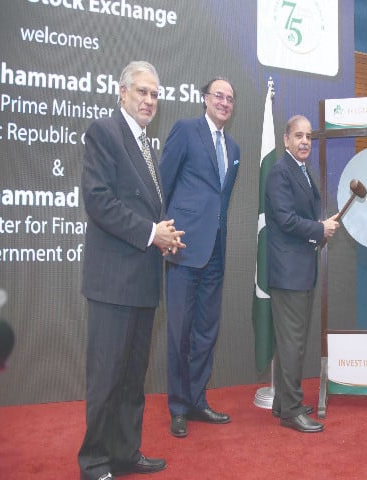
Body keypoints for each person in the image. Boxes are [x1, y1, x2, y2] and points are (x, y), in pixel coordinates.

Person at [79, 61, 185, 480]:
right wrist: (150, 233)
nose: (149, 101)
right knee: (105, 379)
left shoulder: (147, 144)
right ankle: (95, 463)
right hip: (112, 284)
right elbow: (99, 201)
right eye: (142, 92)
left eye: (155, 94)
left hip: (141, 283)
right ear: (121, 92)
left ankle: (125, 453)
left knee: (131, 379)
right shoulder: (104, 132)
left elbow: (145, 210)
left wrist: (164, 237)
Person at [159, 77, 240, 438]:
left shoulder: (233, 147)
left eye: (230, 98)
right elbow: (163, 182)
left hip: (216, 252)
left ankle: (197, 401)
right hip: (183, 248)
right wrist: (162, 233)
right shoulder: (186, 130)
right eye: (218, 96)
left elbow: (219, 202)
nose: (224, 102)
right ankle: (177, 407)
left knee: (206, 332)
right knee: (179, 332)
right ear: (204, 99)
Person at [265, 115, 340, 433]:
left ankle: (283, 402)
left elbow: (301, 220)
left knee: (290, 343)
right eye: (298, 135)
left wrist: (320, 230)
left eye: (309, 136)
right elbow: (284, 219)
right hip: (288, 273)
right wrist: (319, 228)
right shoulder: (279, 173)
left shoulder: (302, 171)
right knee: (293, 343)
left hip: (300, 270)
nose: (305, 141)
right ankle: (292, 410)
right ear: (285, 140)